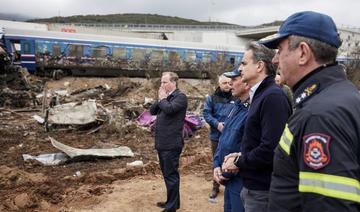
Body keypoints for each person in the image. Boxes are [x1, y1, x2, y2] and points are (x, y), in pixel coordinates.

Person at [259, 11, 360, 211]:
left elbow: (329, 206)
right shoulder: (342, 95)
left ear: (303, 53)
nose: (275, 60)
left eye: (280, 50)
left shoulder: (319, 116)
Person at [222, 42, 292, 212]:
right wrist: (241, 154)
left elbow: (272, 148)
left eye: (244, 63)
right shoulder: (261, 94)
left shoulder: (272, 96)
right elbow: (261, 139)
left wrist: (239, 161)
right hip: (254, 186)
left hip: (263, 189)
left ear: (260, 66)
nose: (240, 68)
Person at [213, 67, 249, 212]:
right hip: (228, 177)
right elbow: (224, 139)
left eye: (234, 80)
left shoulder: (252, 110)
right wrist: (216, 164)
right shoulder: (236, 107)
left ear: (246, 83)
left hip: (240, 178)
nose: (230, 83)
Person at [150, 72, 188, 212]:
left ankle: (171, 207)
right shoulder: (165, 98)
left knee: (171, 175)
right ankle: (172, 202)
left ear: (173, 83)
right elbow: (152, 111)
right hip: (162, 143)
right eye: (161, 82)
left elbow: (170, 109)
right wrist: (160, 99)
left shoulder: (180, 97)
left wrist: (162, 99)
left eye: (164, 82)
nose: (162, 85)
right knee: (168, 174)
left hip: (171, 144)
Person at [203, 74, 236, 199]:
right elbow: (206, 114)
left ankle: (230, 185)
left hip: (232, 135)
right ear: (219, 84)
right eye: (224, 83)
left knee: (231, 160)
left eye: (229, 83)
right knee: (216, 161)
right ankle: (215, 186)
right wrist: (217, 124)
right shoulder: (212, 98)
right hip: (216, 135)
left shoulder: (236, 97)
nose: (227, 85)